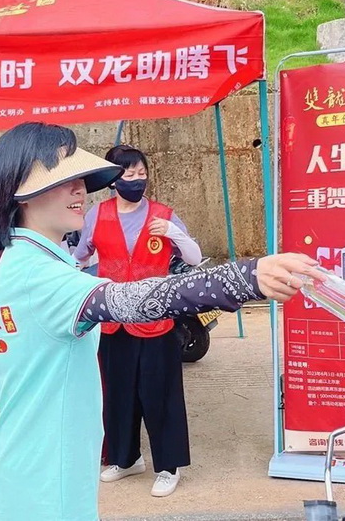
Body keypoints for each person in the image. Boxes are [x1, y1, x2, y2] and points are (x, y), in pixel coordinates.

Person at [0, 122, 321, 521]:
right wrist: (244, 278)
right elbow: (133, 299)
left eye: (81, 179)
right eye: (64, 178)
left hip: (37, 464)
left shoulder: (27, 260)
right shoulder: (38, 275)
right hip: (46, 481)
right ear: (21, 191)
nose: (80, 189)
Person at [72, 145, 201, 497]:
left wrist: (174, 233)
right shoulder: (97, 215)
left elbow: (194, 257)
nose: (137, 180)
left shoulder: (163, 215)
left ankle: (168, 467)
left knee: (160, 394)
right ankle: (126, 459)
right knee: (118, 393)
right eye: (129, 174)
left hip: (156, 319)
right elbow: (80, 257)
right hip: (113, 320)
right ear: (114, 180)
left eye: (141, 174)